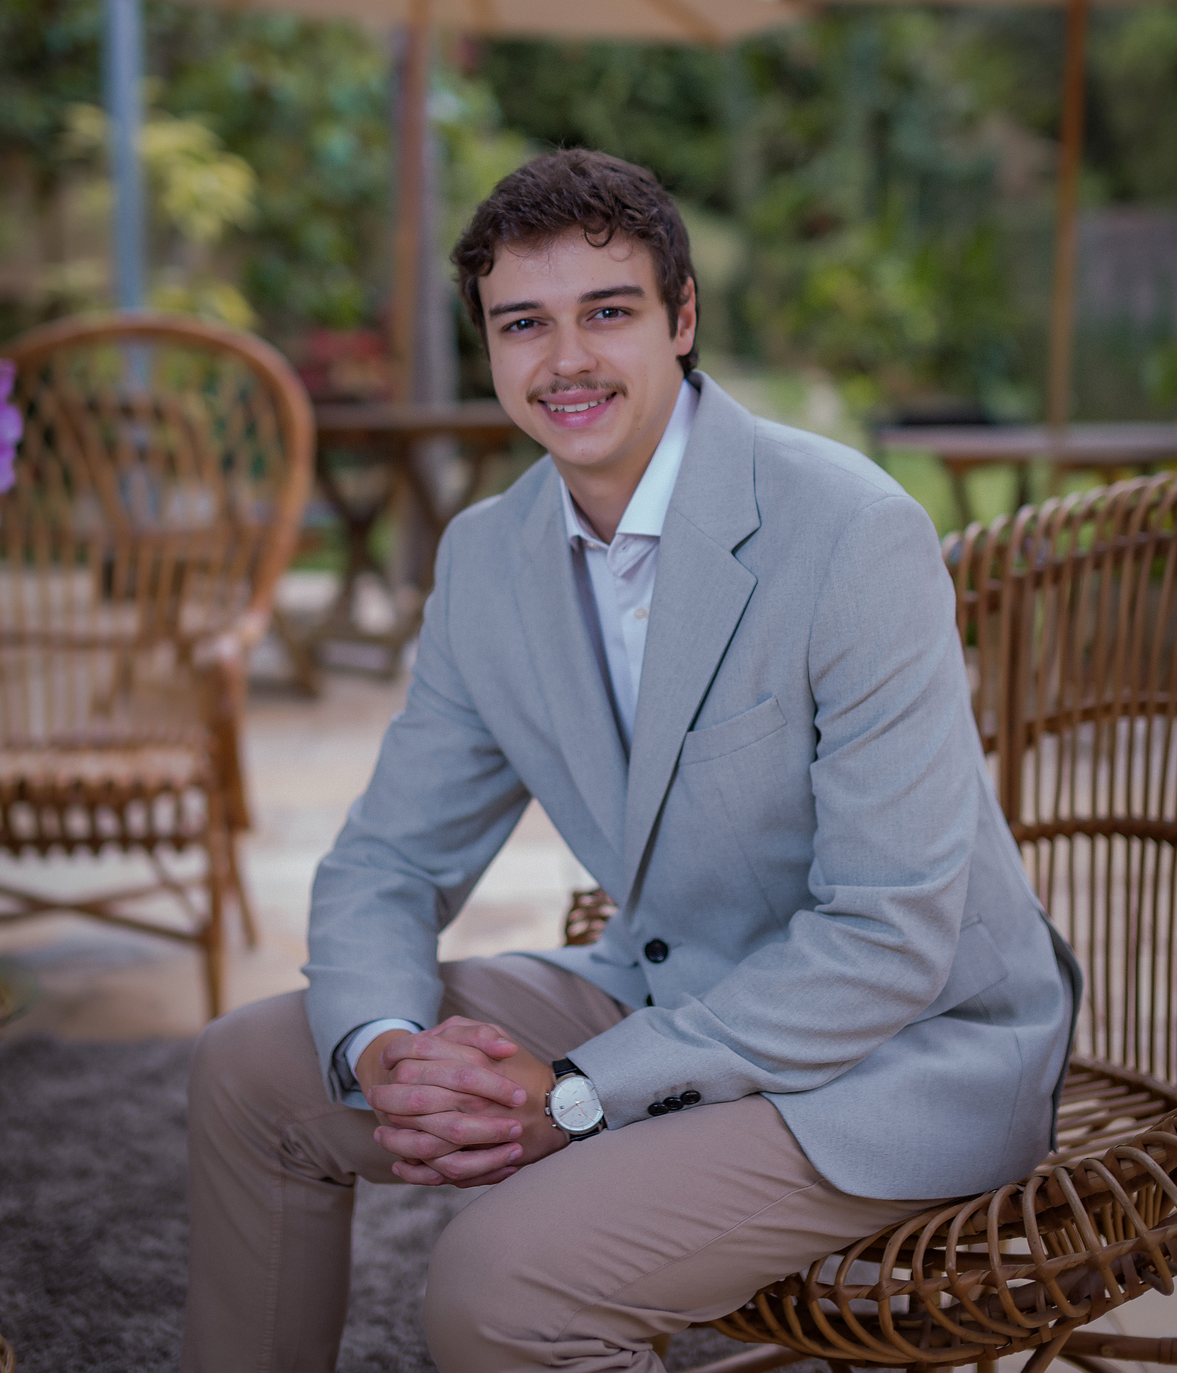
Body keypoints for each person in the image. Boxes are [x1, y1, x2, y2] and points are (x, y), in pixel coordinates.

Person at [183, 149, 1080, 1373]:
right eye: (523, 324)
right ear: (488, 346)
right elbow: (390, 858)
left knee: (499, 1286)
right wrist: (388, 1051)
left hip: (903, 1052)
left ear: (682, 318)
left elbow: (888, 936)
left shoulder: (853, 533)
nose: (565, 361)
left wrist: (573, 1093)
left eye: (607, 313)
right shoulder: (487, 558)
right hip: (667, 982)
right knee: (249, 1071)